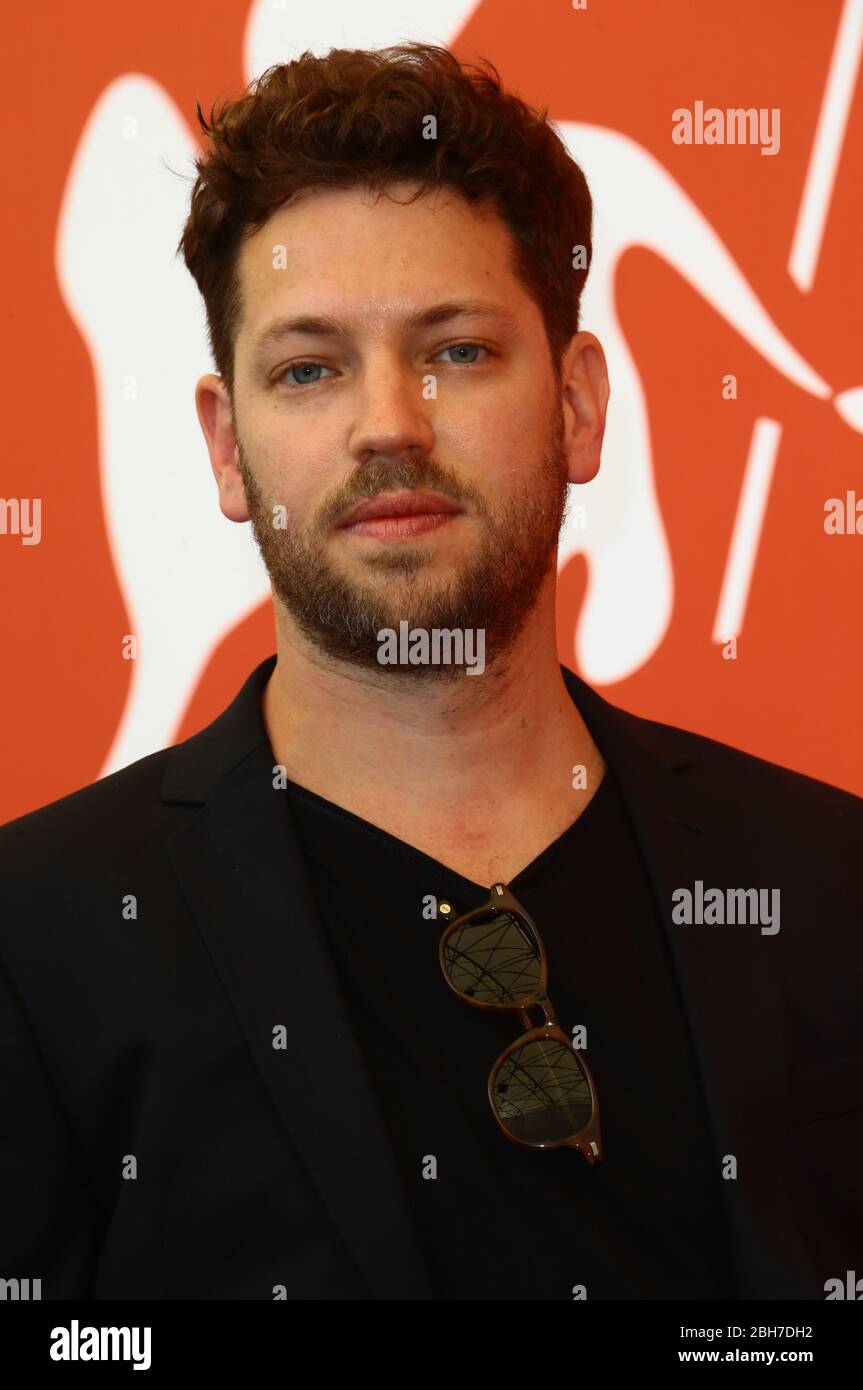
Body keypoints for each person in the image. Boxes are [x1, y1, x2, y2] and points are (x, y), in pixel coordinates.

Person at [1, 43, 861, 1303]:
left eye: (455, 351)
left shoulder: (824, 882)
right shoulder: (38, 941)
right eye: (308, 368)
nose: (388, 422)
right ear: (227, 449)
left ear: (575, 404)